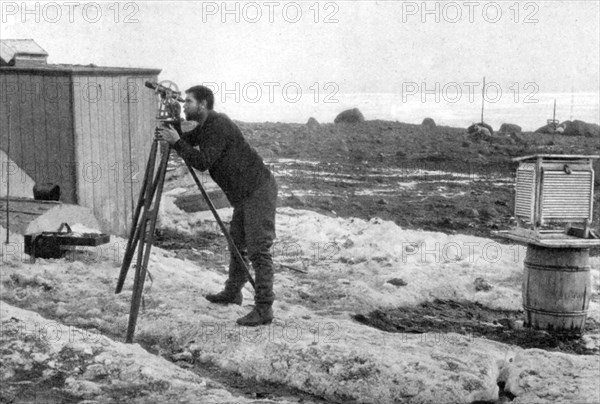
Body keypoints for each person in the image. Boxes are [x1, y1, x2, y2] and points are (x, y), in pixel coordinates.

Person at [155, 85, 277, 326]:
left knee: (258, 250)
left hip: (258, 191)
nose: (185, 105)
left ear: (203, 104)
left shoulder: (218, 125)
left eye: (188, 102)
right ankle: (233, 292)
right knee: (236, 244)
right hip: (244, 195)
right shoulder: (207, 126)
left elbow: (201, 161)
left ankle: (264, 308)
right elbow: (189, 139)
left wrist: (177, 141)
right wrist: (174, 122)